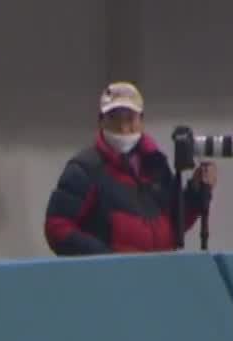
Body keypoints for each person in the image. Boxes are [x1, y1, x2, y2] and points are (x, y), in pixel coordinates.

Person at [44, 81, 214, 256]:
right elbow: (57, 227)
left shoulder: (156, 164)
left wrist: (196, 191)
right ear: (101, 121)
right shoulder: (85, 169)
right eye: (115, 119)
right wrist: (106, 260)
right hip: (109, 279)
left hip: (159, 273)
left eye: (130, 119)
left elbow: (172, 225)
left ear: (141, 121)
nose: (123, 128)